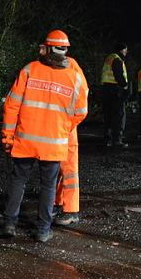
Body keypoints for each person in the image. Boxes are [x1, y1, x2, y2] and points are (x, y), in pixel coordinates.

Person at [2, 30, 88, 242]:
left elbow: (11, 105)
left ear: (47, 48)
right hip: (53, 145)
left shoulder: (29, 70)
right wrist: (63, 128)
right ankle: (42, 230)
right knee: (48, 186)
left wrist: (7, 137)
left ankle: (10, 224)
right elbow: (81, 112)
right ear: (65, 50)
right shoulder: (74, 78)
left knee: (18, 181)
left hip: (25, 141)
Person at [49, 31, 89, 227]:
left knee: (68, 169)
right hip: (61, 127)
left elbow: (81, 103)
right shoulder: (67, 66)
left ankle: (70, 209)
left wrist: (67, 124)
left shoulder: (69, 67)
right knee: (58, 169)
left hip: (64, 127)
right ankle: (58, 204)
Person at [100, 42, 129, 147]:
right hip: (115, 90)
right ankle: (117, 139)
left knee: (108, 114)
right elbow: (119, 75)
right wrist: (125, 85)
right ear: (121, 50)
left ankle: (107, 138)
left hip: (106, 89)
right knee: (119, 114)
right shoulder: (117, 59)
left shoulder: (109, 58)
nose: (126, 52)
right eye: (125, 50)